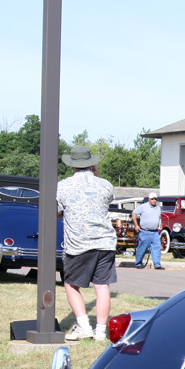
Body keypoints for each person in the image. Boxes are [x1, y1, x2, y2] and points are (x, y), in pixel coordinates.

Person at [56, 145, 117, 342]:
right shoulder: (105, 184)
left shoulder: (63, 186)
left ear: (72, 165)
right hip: (105, 242)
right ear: (92, 164)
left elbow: (56, 211)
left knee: (71, 285)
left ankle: (84, 327)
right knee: (102, 287)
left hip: (79, 243)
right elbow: (105, 202)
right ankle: (100, 332)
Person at [132, 192, 164, 269]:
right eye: (152, 199)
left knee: (157, 248)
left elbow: (159, 217)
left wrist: (160, 224)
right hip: (145, 231)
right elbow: (134, 213)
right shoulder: (143, 207)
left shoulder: (158, 208)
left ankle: (157, 264)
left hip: (155, 232)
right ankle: (138, 263)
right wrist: (136, 225)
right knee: (142, 248)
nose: (154, 200)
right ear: (149, 199)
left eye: (155, 199)